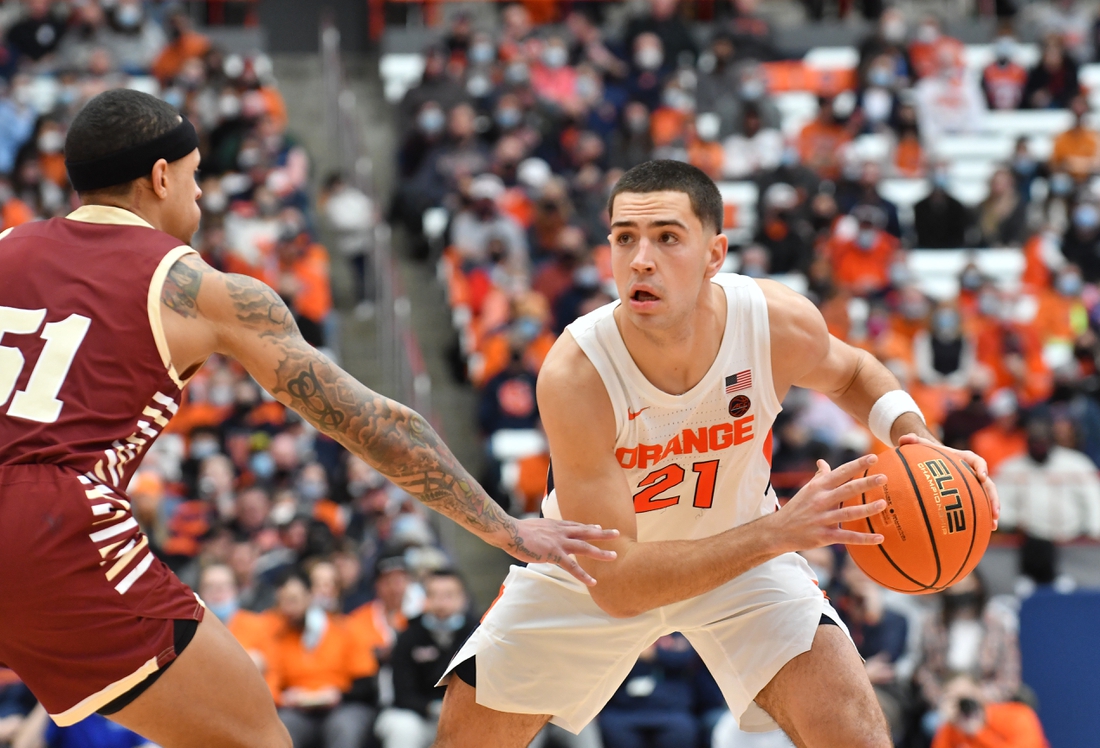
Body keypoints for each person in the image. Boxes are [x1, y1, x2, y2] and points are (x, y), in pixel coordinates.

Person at [0, 89, 615, 748]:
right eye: (195, 175)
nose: (201, 196)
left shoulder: (8, 245)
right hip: (51, 524)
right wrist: (507, 531)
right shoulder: (198, 288)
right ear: (160, 177)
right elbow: (375, 425)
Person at [432, 161, 998, 747]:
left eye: (667, 237)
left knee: (854, 732)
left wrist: (916, 435)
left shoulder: (772, 320)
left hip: (745, 562)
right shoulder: (578, 372)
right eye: (624, 238)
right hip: (595, 567)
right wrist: (780, 533)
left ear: (715, 253)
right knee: (465, 739)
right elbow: (620, 585)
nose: (641, 259)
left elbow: (852, 369)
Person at [375, 570, 477, 748]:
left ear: (463, 598)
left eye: (449, 595)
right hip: (420, 715)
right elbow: (402, 693)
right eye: (433, 595)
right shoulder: (409, 635)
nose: (441, 602)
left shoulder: (480, 634)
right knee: (402, 727)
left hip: (469, 716)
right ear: (424, 599)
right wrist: (432, 708)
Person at [995, 413, 1100, 584]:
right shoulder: (1011, 468)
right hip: (1029, 541)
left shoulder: (1075, 463)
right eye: (1035, 442)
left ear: (1052, 441)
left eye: (1043, 442)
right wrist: (1014, 522)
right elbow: (999, 505)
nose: (1039, 447)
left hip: (1073, 541)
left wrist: (1092, 531)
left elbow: (1094, 500)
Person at [931, 675, 1049, 748]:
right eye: (955, 700)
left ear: (979, 693)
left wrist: (979, 732)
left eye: (966, 698)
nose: (964, 706)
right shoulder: (950, 728)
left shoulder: (1019, 716)